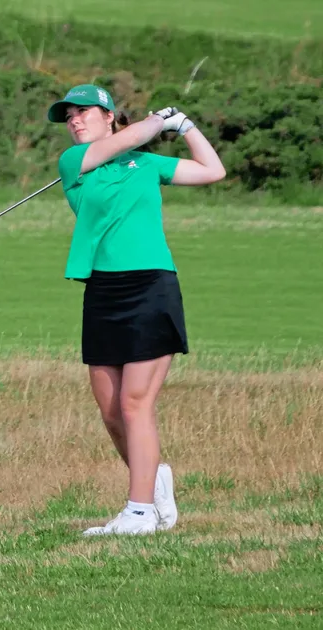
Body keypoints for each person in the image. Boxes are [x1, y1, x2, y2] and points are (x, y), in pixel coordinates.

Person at [47, 84, 225, 536]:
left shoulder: (146, 164)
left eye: (84, 112)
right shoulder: (74, 165)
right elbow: (128, 139)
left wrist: (184, 126)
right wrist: (154, 123)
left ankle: (140, 510)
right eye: (69, 115)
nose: (74, 120)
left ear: (109, 116)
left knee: (134, 403)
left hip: (151, 286)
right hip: (103, 289)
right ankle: (153, 478)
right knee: (110, 410)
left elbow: (212, 170)